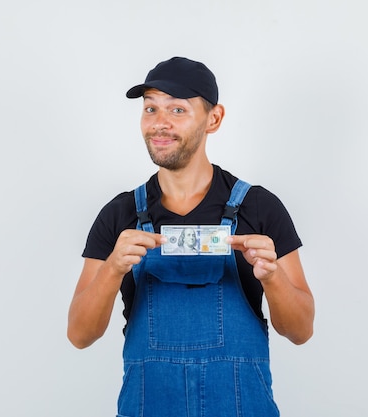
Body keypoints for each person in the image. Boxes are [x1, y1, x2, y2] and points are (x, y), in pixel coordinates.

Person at [67, 56, 314, 417]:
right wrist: (112, 269)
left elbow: (301, 330)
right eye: (150, 108)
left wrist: (273, 278)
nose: (159, 123)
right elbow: (79, 335)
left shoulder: (260, 208)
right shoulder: (119, 215)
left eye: (178, 109)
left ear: (213, 119)